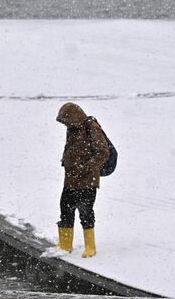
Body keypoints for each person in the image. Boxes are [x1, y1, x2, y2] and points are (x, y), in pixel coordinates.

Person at [54, 102, 109, 257]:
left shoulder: (91, 128)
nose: (65, 124)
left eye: (66, 121)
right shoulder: (72, 128)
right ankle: (65, 244)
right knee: (65, 208)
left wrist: (86, 167)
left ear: (74, 117)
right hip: (71, 178)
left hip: (87, 179)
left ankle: (90, 247)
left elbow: (102, 151)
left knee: (85, 211)